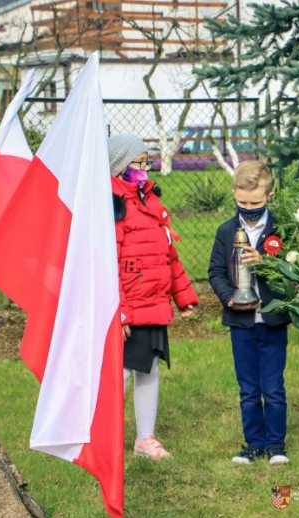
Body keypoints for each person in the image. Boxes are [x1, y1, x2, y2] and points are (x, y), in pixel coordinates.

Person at [109, 134, 199, 459]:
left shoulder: (151, 201)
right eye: (139, 163)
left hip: (154, 303)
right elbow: (107, 262)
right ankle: (104, 436)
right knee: (120, 372)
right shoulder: (111, 205)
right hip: (129, 305)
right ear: (119, 166)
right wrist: (117, 310)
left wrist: (182, 295)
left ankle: (144, 439)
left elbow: (168, 252)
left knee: (149, 368)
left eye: (147, 162)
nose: (145, 169)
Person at [208, 160, 292, 465]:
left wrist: (267, 264)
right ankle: (253, 444)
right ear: (234, 193)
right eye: (242, 202)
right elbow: (215, 271)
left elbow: (294, 271)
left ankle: (276, 446)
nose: (248, 207)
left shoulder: (283, 228)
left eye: (255, 202)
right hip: (241, 322)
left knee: (273, 387)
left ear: (269, 196)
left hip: (272, 320)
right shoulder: (226, 230)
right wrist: (229, 298)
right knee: (248, 388)